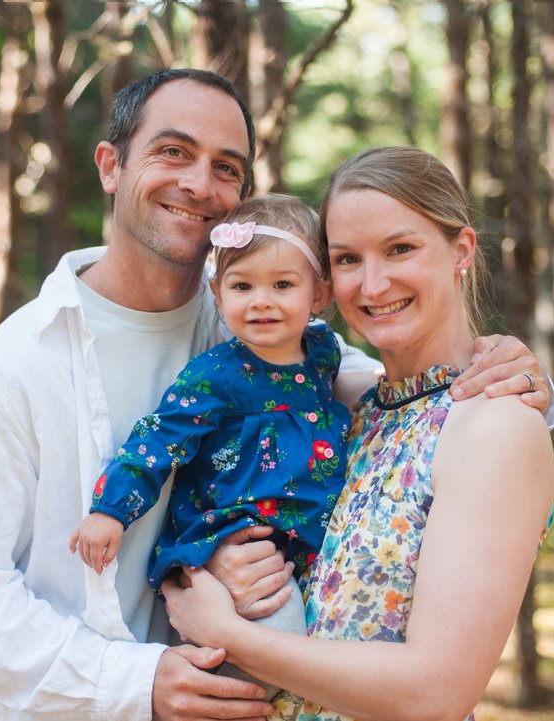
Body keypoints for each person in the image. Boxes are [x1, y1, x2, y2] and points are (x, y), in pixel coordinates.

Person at [0, 68, 554, 721]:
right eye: (173, 151)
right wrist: (139, 681)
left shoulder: (258, 324)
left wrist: (516, 376)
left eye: (226, 167)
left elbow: (407, 393)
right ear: (110, 165)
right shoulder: (13, 368)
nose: (199, 183)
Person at [162, 146, 554, 721]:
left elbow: (437, 691)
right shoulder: (350, 410)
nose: (373, 285)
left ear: (461, 250)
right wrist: (224, 557)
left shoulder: (494, 424)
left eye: (400, 249)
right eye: (347, 259)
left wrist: (226, 634)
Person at [70, 194, 350, 698]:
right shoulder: (217, 375)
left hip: (300, 551)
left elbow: (379, 382)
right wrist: (110, 511)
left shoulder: (324, 356)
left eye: (283, 285)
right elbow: (159, 439)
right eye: (242, 286)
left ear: (320, 295)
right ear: (218, 294)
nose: (260, 300)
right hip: (236, 550)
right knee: (270, 671)